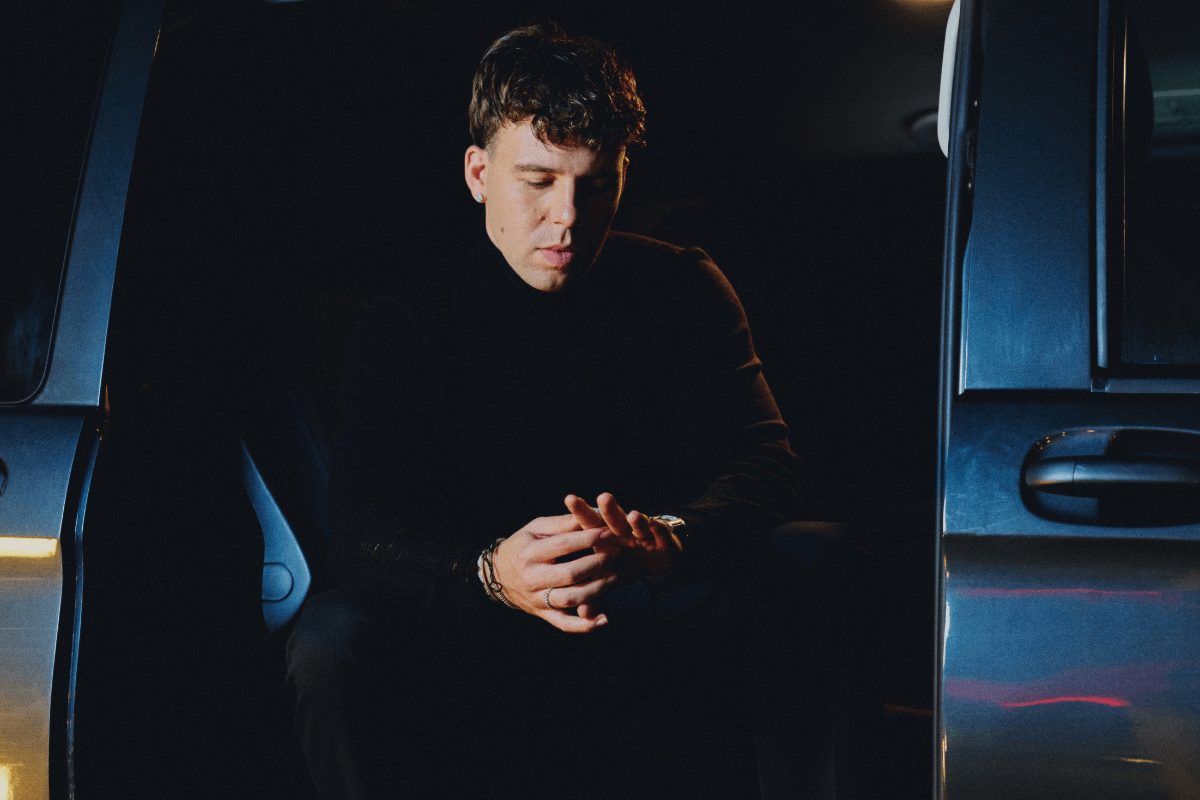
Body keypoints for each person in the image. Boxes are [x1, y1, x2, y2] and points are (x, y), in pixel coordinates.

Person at [286, 24, 863, 800]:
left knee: (817, 556)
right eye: (538, 181)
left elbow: (766, 469)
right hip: (477, 639)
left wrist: (669, 540)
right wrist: (492, 572)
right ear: (479, 173)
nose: (566, 216)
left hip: (655, 617)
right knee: (329, 637)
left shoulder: (683, 289)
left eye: (594, 185)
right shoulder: (406, 327)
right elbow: (361, 527)